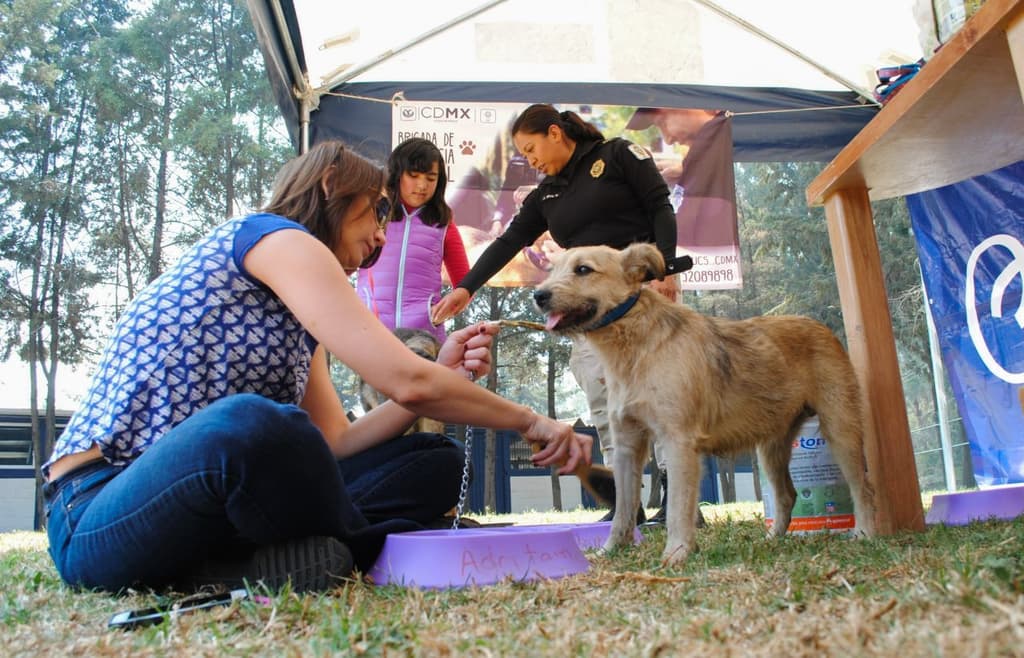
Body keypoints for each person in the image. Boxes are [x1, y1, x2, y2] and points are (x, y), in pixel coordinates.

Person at [41, 140, 592, 595]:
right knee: (254, 423)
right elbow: (408, 380)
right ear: (331, 186)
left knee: (432, 459)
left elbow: (335, 444)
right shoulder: (276, 238)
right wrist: (532, 421)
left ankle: (242, 566)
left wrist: (447, 376)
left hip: (213, 508)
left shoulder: (300, 320)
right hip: (98, 511)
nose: (381, 235)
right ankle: (386, 542)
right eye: (377, 211)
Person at [432, 104, 691, 523]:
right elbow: (508, 240)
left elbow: (660, 204)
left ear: (555, 133)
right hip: (591, 315)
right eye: (522, 153)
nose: (529, 159)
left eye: (531, 147)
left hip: (641, 297)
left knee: (663, 399)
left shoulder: (619, 155)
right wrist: (466, 287)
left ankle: (681, 502)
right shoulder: (547, 194)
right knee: (606, 403)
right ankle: (628, 505)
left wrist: (666, 267)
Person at [356, 138, 471, 343]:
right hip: (370, 332)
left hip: (423, 338)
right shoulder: (371, 212)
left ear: (440, 181)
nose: (421, 185)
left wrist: (438, 314)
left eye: (430, 178)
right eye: (413, 175)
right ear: (397, 174)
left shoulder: (444, 225)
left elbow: (466, 284)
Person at [625, 107, 738, 248]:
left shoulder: (718, 139)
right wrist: (685, 179)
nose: (668, 140)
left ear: (685, 102)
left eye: (663, 123)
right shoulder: (705, 154)